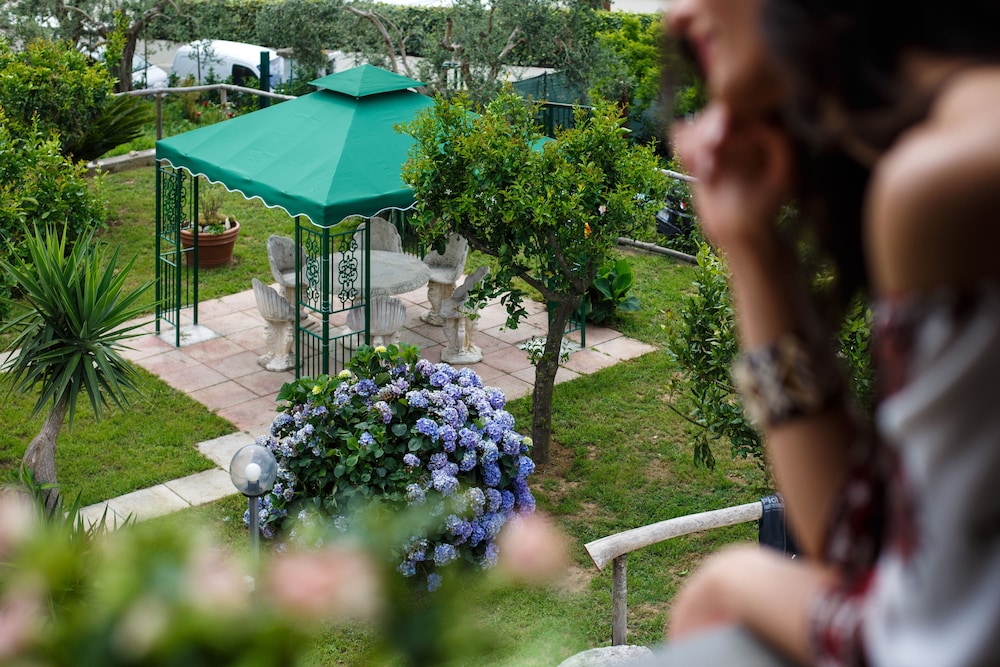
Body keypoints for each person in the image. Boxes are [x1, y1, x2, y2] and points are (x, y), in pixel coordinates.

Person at [646, 0, 1000, 664]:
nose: (676, 16)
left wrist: (733, 578)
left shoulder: (951, 182)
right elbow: (861, 544)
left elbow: (918, 642)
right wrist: (753, 251)